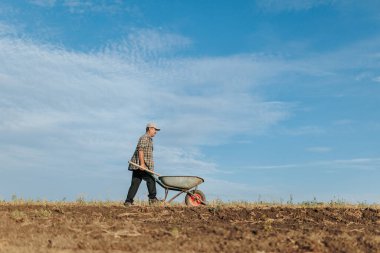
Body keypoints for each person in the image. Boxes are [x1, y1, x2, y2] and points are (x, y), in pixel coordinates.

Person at [124, 123, 160, 206]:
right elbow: (140, 150)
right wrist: (142, 164)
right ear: (149, 128)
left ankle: (128, 201)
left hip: (140, 165)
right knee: (151, 179)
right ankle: (152, 199)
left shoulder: (149, 139)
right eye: (155, 129)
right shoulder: (144, 138)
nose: (156, 132)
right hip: (141, 165)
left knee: (135, 183)